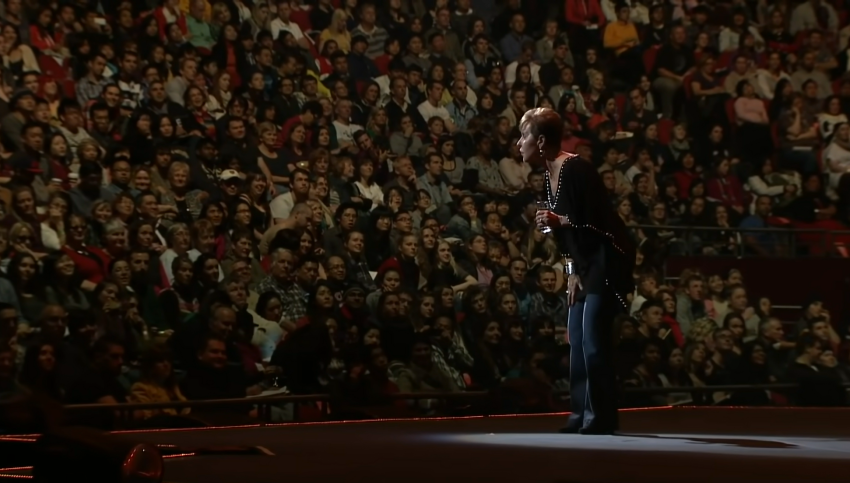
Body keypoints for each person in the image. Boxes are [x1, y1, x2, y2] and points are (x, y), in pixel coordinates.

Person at [519, 107, 635, 434]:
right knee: (577, 338)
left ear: (540, 141)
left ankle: (600, 417)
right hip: (584, 264)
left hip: (604, 260)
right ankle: (581, 412)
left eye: (523, 135)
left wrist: (558, 220)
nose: (518, 143)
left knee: (594, 342)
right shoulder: (548, 174)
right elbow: (568, 236)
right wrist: (570, 271)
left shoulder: (576, 169)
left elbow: (599, 222)